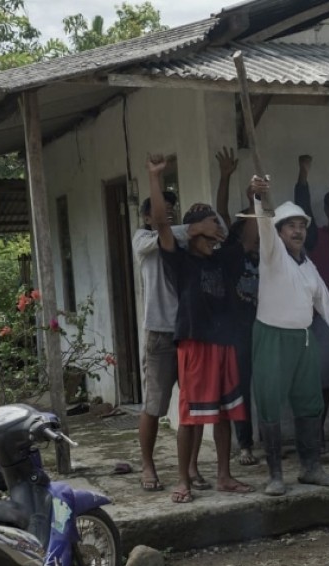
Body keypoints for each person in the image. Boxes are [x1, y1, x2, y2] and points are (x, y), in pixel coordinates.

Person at [147, 154, 255, 503]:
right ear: (194, 232)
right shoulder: (180, 260)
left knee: (224, 414)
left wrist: (249, 193)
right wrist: (155, 177)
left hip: (224, 343)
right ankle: (184, 481)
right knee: (191, 416)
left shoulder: (222, 259)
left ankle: (224, 475)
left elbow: (242, 230)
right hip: (194, 343)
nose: (216, 232)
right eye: (209, 227)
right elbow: (162, 224)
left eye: (216, 227)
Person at [247, 179, 329, 495]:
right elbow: (265, 223)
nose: (297, 231)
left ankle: (311, 468)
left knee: (310, 402)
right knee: (270, 403)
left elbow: (325, 302)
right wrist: (260, 197)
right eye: (290, 226)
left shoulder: (309, 266)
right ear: (280, 231)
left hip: (304, 340)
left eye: (301, 226)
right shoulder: (272, 254)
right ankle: (275, 476)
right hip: (272, 339)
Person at [132, 188, 207, 492]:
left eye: (173, 208)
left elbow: (220, 231)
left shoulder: (185, 239)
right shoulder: (142, 239)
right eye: (163, 209)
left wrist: (200, 223)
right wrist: (193, 228)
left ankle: (192, 466)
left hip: (190, 331)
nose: (170, 213)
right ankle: (147, 465)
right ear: (147, 217)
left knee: (194, 405)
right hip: (159, 333)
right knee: (154, 405)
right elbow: (166, 233)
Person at [213, 147, 263, 467]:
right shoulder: (233, 251)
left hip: (265, 326)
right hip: (238, 329)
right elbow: (222, 213)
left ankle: (268, 438)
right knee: (240, 386)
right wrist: (225, 178)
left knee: (266, 384)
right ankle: (245, 445)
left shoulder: (268, 252)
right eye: (250, 222)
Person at [293, 156, 329, 447]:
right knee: (318, 379)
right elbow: (303, 208)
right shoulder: (317, 237)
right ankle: (314, 433)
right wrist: (303, 177)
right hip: (320, 318)